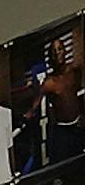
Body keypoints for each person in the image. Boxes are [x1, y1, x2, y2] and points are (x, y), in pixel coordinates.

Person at [30, 37, 84, 168]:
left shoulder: (74, 70)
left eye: (59, 49)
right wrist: (25, 117)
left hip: (79, 125)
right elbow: (34, 106)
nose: (57, 53)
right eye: (53, 51)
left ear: (65, 51)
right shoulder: (49, 83)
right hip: (62, 131)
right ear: (50, 57)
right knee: (65, 167)